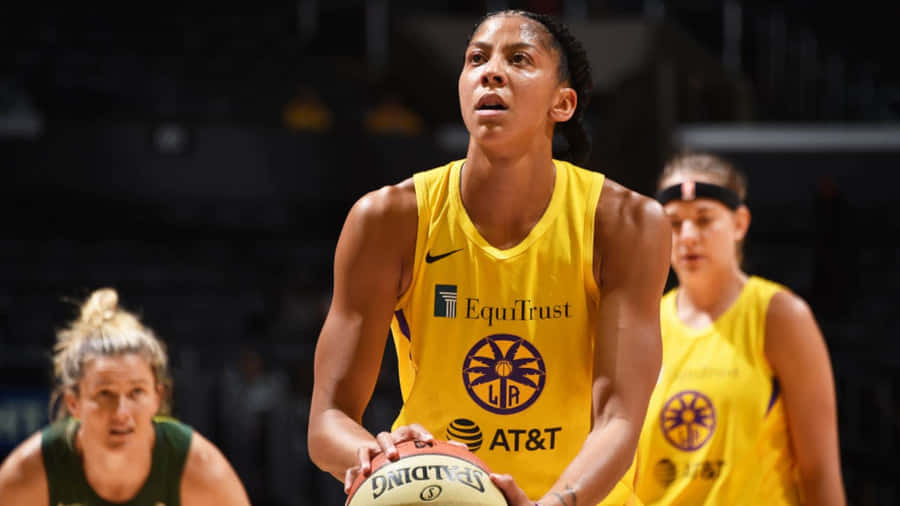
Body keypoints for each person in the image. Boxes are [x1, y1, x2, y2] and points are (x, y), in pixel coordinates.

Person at [308, 9, 670, 506]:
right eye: (476, 58)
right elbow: (328, 420)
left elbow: (620, 419)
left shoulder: (625, 224)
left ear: (562, 103)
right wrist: (376, 457)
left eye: (519, 59)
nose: (490, 71)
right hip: (439, 498)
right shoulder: (388, 220)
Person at [634, 152, 846, 505]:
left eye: (704, 220)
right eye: (673, 223)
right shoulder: (644, 323)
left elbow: (819, 472)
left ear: (740, 223)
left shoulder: (780, 316)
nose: (687, 236)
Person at [0, 288, 251, 506]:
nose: (121, 412)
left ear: (157, 397)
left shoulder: (201, 470)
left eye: (136, 392)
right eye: (104, 393)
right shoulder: (28, 473)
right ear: (73, 403)